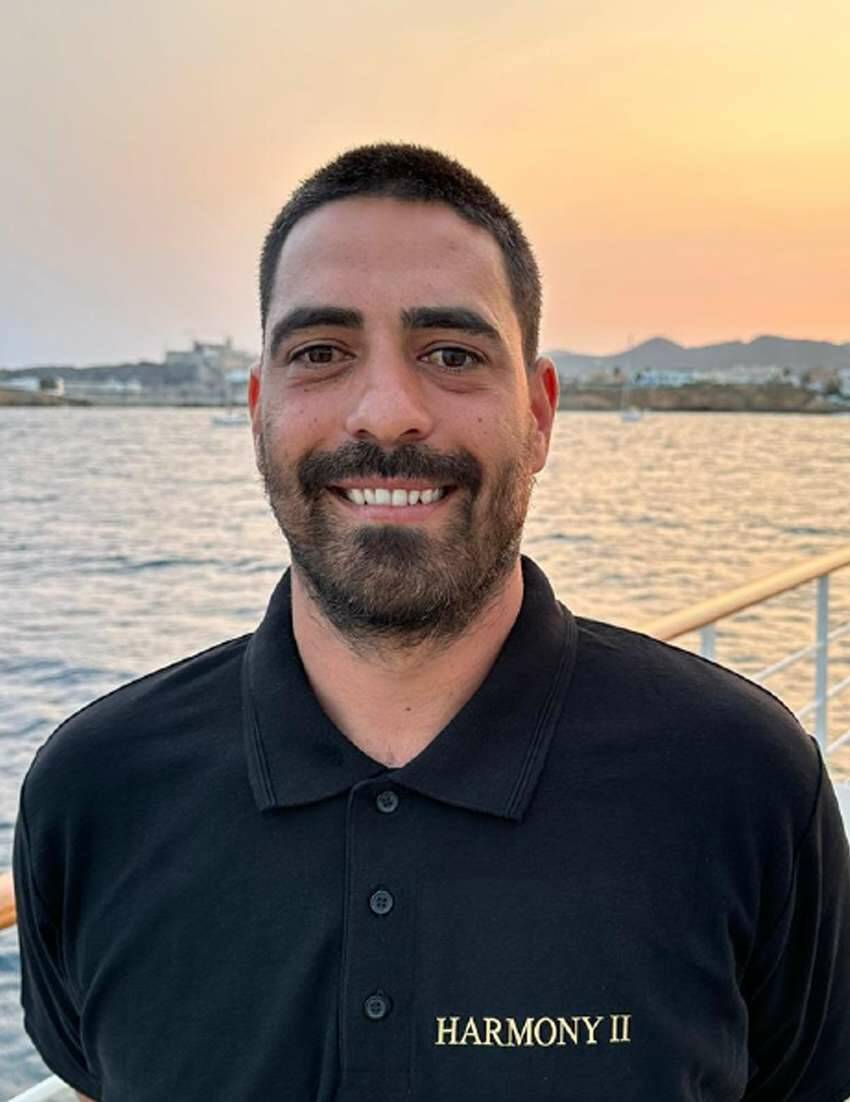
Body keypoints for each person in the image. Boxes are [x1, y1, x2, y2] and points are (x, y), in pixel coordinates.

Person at [13, 144, 850, 1102]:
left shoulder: (743, 781)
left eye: (452, 355)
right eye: (321, 354)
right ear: (258, 411)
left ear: (539, 414)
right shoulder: (95, 792)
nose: (387, 413)